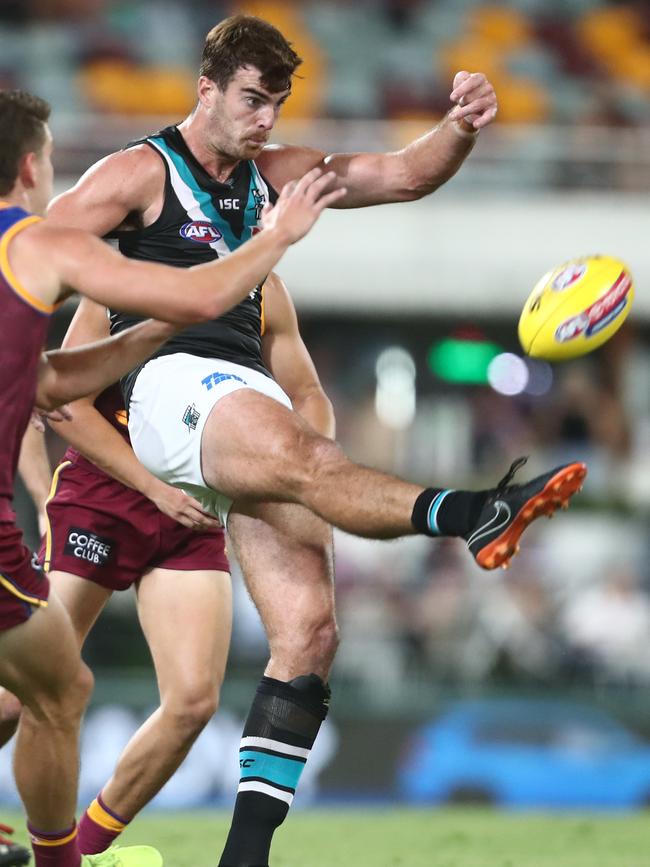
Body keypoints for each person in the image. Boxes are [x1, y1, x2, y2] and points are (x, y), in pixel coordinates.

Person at [46, 15, 586, 867]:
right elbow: (47, 239)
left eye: (277, 104)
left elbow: (404, 176)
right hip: (165, 387)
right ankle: (475, 510)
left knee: (308, 632)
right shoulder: (140, 173)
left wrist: (460, 127)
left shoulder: (279, 180)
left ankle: (242, 858)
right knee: (37, 684)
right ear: (207, 88)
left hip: (237, 400)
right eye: (252, 101)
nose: (265, 121)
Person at [0, 87, 341, 867]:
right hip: (105, 491)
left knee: (191, 701)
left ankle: (82, 850)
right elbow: (63, 398)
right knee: (29, 688)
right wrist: (149, 486)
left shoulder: (263, 294)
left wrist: (308, 460)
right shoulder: (115, 267)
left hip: (190, 512)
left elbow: (309, 390)